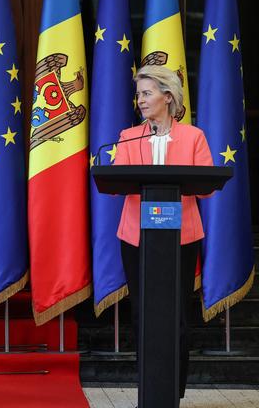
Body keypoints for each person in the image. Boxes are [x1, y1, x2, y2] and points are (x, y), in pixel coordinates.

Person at [114, 65, 214, 399]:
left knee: (177, 315)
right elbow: (116, 183)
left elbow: (206, 189)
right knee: (142, 313)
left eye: (147, 93)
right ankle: (148, 387)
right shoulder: (129, 137)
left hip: (182, 238)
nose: (140, 100)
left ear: (167, 97)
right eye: (139, 94)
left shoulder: (194, 137)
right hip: (137, 239)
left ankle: (174, 390)